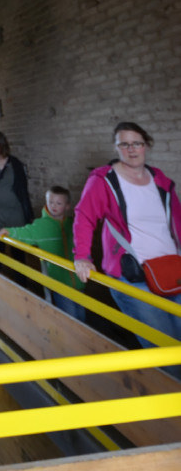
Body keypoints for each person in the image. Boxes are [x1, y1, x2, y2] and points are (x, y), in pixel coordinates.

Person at [73, 121, 181, 355]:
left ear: (146, 145)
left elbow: (177, 221)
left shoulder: (159, 180)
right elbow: (84, 217)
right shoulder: (104, 180)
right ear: (116, 148)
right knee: (166, 351)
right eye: (124, 144)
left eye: (137, 143)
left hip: (173, 271)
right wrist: (82, 256)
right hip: (136, 277)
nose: (131, 149)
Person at [0, 186, 85, 320]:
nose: (53, 206)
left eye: (58, 203)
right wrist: (10, 232)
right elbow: (26, 232)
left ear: (67, 206)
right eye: (50, 202)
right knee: (71, 318)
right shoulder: (41, 225)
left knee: (81, 315)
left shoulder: (74, 224)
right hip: (60, 283)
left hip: (79, 281)